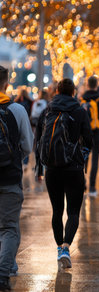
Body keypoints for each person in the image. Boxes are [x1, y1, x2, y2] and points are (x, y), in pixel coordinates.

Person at [35, 78, 93, 270]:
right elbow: (89, 141)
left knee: (57, 211)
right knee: (74, 212)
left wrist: (39, 167)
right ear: (73, 92)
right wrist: (80, 157)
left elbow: (38, 140)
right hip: (74, 169)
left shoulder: (47, 111)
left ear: (57, 91)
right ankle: (67, 247)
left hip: (52, 169)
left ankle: (59, 248)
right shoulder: (80, 111)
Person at [0, 66, 33, 291]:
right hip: (10, 177)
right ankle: (4, 273)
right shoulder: (17, 110)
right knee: (9, 227)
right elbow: (28, 146)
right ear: (7, 83)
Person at [82, 76, 99, 196]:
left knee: (84, 158)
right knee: (95, 160)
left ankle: (83, 184)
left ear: (87, 85)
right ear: (97, 85)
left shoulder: (81, 99)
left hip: (84, 132)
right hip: (97, 132)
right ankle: (92, 187)